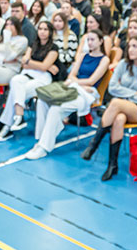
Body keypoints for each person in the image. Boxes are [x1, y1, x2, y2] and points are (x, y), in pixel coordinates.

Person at [82, 35, 137, 181]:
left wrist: (127, 95)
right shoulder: (124, 64)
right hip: (123, 106)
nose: (130, 49)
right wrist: (134, 94)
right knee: (119, 119)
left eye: (135, 46)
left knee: (116, 103)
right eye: (129, 46)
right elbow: (112, 88)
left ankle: (93, 145)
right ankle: (112, 165)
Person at [26, 30, 108, 159]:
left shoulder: (104, 60)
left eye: (93, 40)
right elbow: (71, 75)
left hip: (88, 94)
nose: (90, 43)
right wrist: (77, 83)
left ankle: (44, 147)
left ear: (101, 41)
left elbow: (92, 81)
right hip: (74, 87)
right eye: (88, 40)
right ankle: (41, 139)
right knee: (43, 100)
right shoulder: (83, 55)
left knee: (56, 108)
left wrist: (76, 82)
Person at [0, 20, 59, 141]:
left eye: (45, 29)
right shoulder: (33, 44)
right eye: (40, 29)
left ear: (50, 32)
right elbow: (24, 63)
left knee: (15, 92)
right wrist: (41, 65)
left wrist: (34, 63)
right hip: (28, 74)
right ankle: (18, 116)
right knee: (15, 80)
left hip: (42, 79)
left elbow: (42, 67)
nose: (42, 32)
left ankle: (8, 126)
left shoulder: (54, 48)